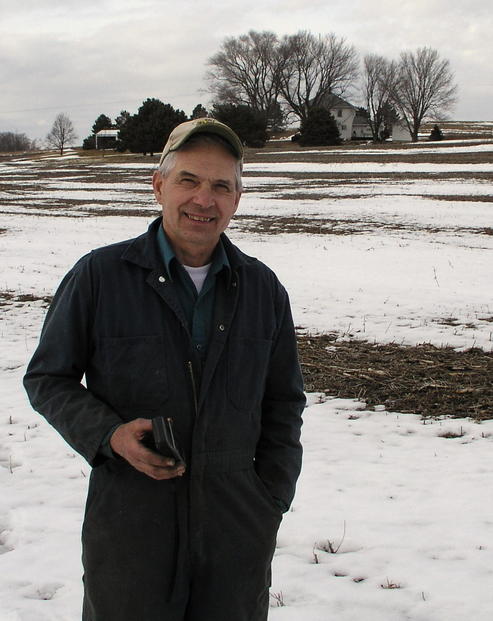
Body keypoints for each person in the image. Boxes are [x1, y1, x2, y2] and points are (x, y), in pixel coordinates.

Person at [24, 118, 305, 621]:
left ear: (237, 200)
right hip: (131, 519)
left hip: (237, 525)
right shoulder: (100, 276)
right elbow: (48, 379)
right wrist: (109, 435)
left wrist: (271, 497)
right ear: (159, 185)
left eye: (222, 186)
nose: (205, 199)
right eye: (189, 181)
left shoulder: (262, 289)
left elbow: (284, 402)